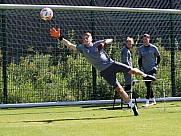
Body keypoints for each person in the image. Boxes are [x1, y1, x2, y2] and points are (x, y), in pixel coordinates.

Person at [50, 28, 156, 116]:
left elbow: (110, 40)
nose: (85, 39)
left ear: (91, 39)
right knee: (119, 89)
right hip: (105, 72)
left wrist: (104, 43)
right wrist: (59, 37)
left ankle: (146, 75)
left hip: (112, 64)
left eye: (87, 37)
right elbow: (69, 45)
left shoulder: (97, 44)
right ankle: (133, 106)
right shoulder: (82, 49)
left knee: (131, 70)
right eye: (84, 38)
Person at [138, 34, 161, 107]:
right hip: (144, 70)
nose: (145, 41)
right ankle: (153, 100)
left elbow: (159, 57)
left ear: (149, 39)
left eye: (146, 39)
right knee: (148, 85)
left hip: (152, 69)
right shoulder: (141, 48)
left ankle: (147, 101)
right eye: (143, 39)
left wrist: (156, 66)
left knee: (149, 84)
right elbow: (140, 59)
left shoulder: (153, 48)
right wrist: (140, 68)